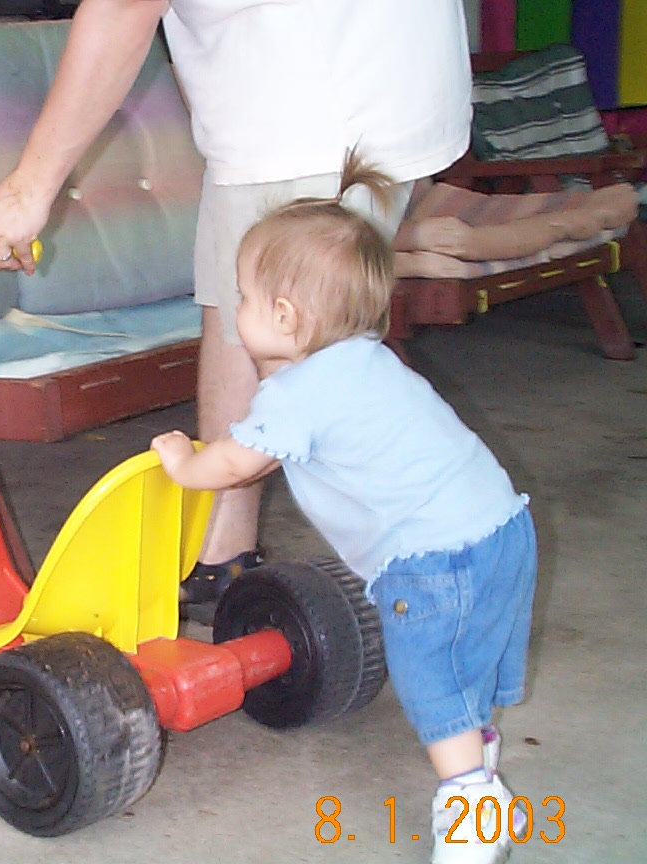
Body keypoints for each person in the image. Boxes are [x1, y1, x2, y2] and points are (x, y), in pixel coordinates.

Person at [0, 0, 474, 618]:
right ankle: (224, 555)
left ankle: (425, 562)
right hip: (362, 87)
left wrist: (29, 188)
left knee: (308, 359)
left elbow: (123, 8)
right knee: (260, 327)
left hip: (308, 102)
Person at [150, 154, 537, 864]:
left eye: (243, 296)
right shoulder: (369, 359)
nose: (237, 308)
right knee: (467, 662)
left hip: (433, 561)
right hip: (503, 529)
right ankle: (481, 761)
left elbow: (236, 462)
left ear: (285, 316)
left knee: (430, 679)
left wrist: (183, 463)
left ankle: (473, 808)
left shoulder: (296, 394)